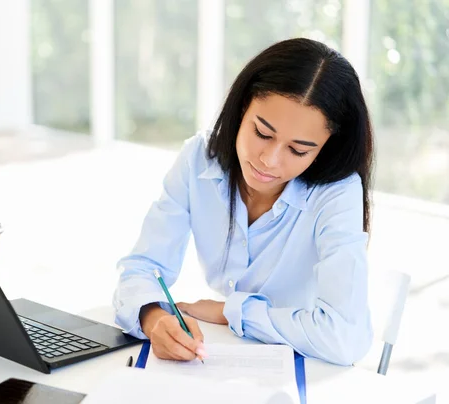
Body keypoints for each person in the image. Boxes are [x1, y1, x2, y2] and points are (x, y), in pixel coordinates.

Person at [112, 38, 375, 366]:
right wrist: (154, 320)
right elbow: (142, 267)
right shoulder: (200, 159)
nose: (270, 160)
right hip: (227, 358)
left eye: (298, 150)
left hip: (309, 367)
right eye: (262, 133)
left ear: (326, 147)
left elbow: (345, 338)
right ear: (241, 110)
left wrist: (232, 310)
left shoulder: (337, 193)